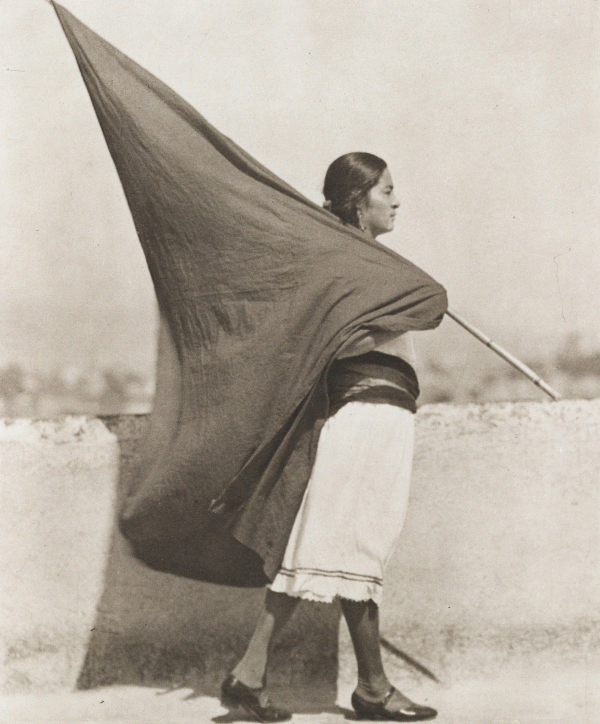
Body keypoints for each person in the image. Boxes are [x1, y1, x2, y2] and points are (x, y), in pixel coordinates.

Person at [220, 153, 438, 723]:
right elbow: (407, 312)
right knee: (345, 548)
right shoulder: (347, 266)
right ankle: (367, 689)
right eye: (387, 191)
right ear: (358, 201)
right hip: (361, 419)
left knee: (326, 551)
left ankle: (258, 676)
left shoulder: (364, 263)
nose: (396, 201)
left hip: (377, 417)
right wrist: (403, 299)